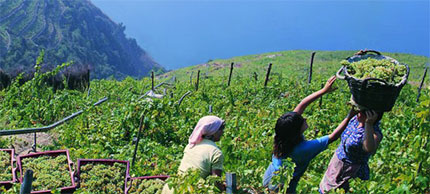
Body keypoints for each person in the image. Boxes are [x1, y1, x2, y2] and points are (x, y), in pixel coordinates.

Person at [263, 76, 358, 193]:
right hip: (283, 187)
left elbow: (302, 105)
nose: (305, 118)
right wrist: (351, 114)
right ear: (297, 131)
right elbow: (333, 136)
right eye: (302, 120)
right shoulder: (302, 149)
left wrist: (323, 91)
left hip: (269, 177)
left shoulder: (283, 135)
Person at [319, 110, 383, 193]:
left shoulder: (375, 133)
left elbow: (369, 148)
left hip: (350, 170)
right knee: (325, 190)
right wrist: (350, 115)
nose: (358, 114)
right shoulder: (355, 120)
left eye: (362, 113)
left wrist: (368, 124)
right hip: (336, 164)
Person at [162, 115, 225, 193]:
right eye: (221, 129)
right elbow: (216, 182)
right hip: (188, 191)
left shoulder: (191, 145)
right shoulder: (216, 152)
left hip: (171, 188)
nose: (222, 132)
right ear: (213, 131)